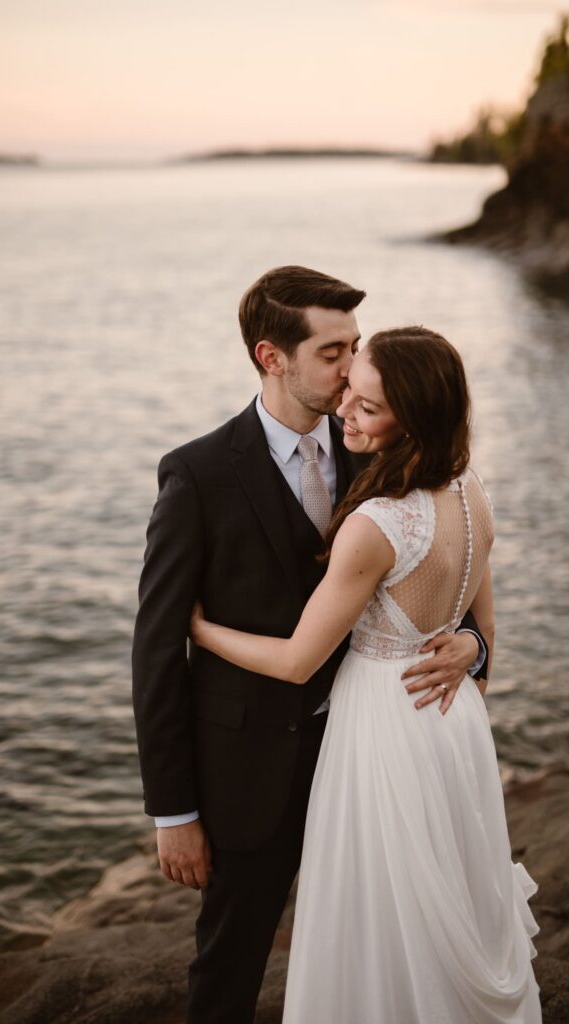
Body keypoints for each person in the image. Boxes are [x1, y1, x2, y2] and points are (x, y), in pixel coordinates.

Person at [132, 267, 489, 1024]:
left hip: (373, 759)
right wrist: (173, 812)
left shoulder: (381, 440)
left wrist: (472, 646)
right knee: (229, 960)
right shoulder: (197, 474)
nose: (352, 369)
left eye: (356, 347)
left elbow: (447, 567)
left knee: (371, 950)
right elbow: (156, 651)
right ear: (271, 357)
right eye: (332, 352)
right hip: (248, 770)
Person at [189, 325, 542, 1023]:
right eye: (349, 387)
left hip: (383, 728)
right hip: (453, 724)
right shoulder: (471, 489)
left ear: (411, 419)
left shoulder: (377, 523)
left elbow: (296, 661)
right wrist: (468, 651)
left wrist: (198, 627)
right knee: (446, 894)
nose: (344, 409)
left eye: (367, 406)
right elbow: (485, 631)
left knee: (380, 910)